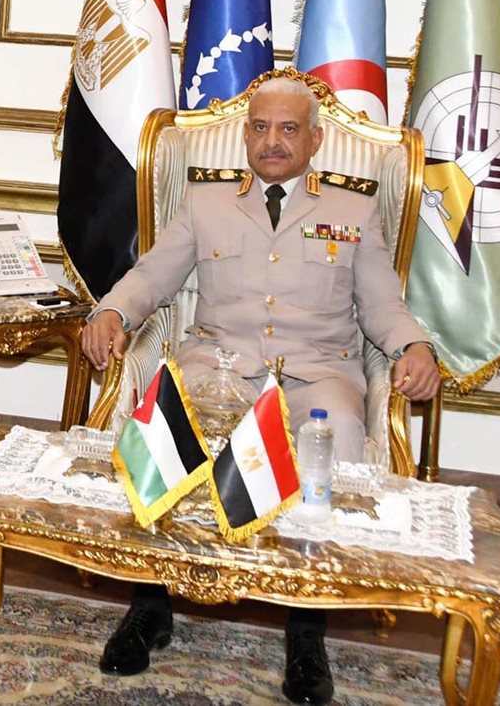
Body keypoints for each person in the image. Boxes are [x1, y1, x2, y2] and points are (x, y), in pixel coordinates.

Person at [80, 76, 440, 705]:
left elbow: (384, 305)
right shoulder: (206, 203)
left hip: (315, 375)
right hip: (217, 367)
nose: (272, 141)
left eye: (288, 129)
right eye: (260, 127)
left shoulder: (354, 210)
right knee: (164, 422)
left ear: (315, 140)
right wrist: (111, 311)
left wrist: (414, 347)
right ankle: (150, 604)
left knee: (339, 434)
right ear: (245, 135)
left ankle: (306, 628)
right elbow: (153, 276)